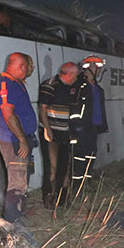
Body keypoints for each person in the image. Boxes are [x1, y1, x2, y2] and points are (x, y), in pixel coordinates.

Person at [0, 53, 38, 223]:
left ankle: (18, 214)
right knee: (17, 183)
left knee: (21, 180)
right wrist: (22, 139)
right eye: (29, 67)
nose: (30, 71)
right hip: (14, 140)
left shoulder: (16, 84)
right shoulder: (6, 85)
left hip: (20, 139)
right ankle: (13, 221)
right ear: (22, 66)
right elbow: (8, 115)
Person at [39, 62, 79, 208]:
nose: (77, 77)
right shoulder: (49, 85)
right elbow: (42, 108)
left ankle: (62, 199)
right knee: (52, 167)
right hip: (52, 133)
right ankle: (49, 198)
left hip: (65, 132)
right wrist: (47, 129)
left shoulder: (72, 88)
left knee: (64, 166)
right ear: (69, 74)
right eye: (76, 74)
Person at [69, 55, 108, 187]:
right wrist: (76, 128)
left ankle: (86, 182)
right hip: (81, 128)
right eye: (98, 68)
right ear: (91, 67)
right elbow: (74, 107)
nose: (100, 71)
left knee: (91, 155)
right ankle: (77, 186)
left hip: (93, 127)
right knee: (79, 157)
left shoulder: (96, 86)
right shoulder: (79, 85)